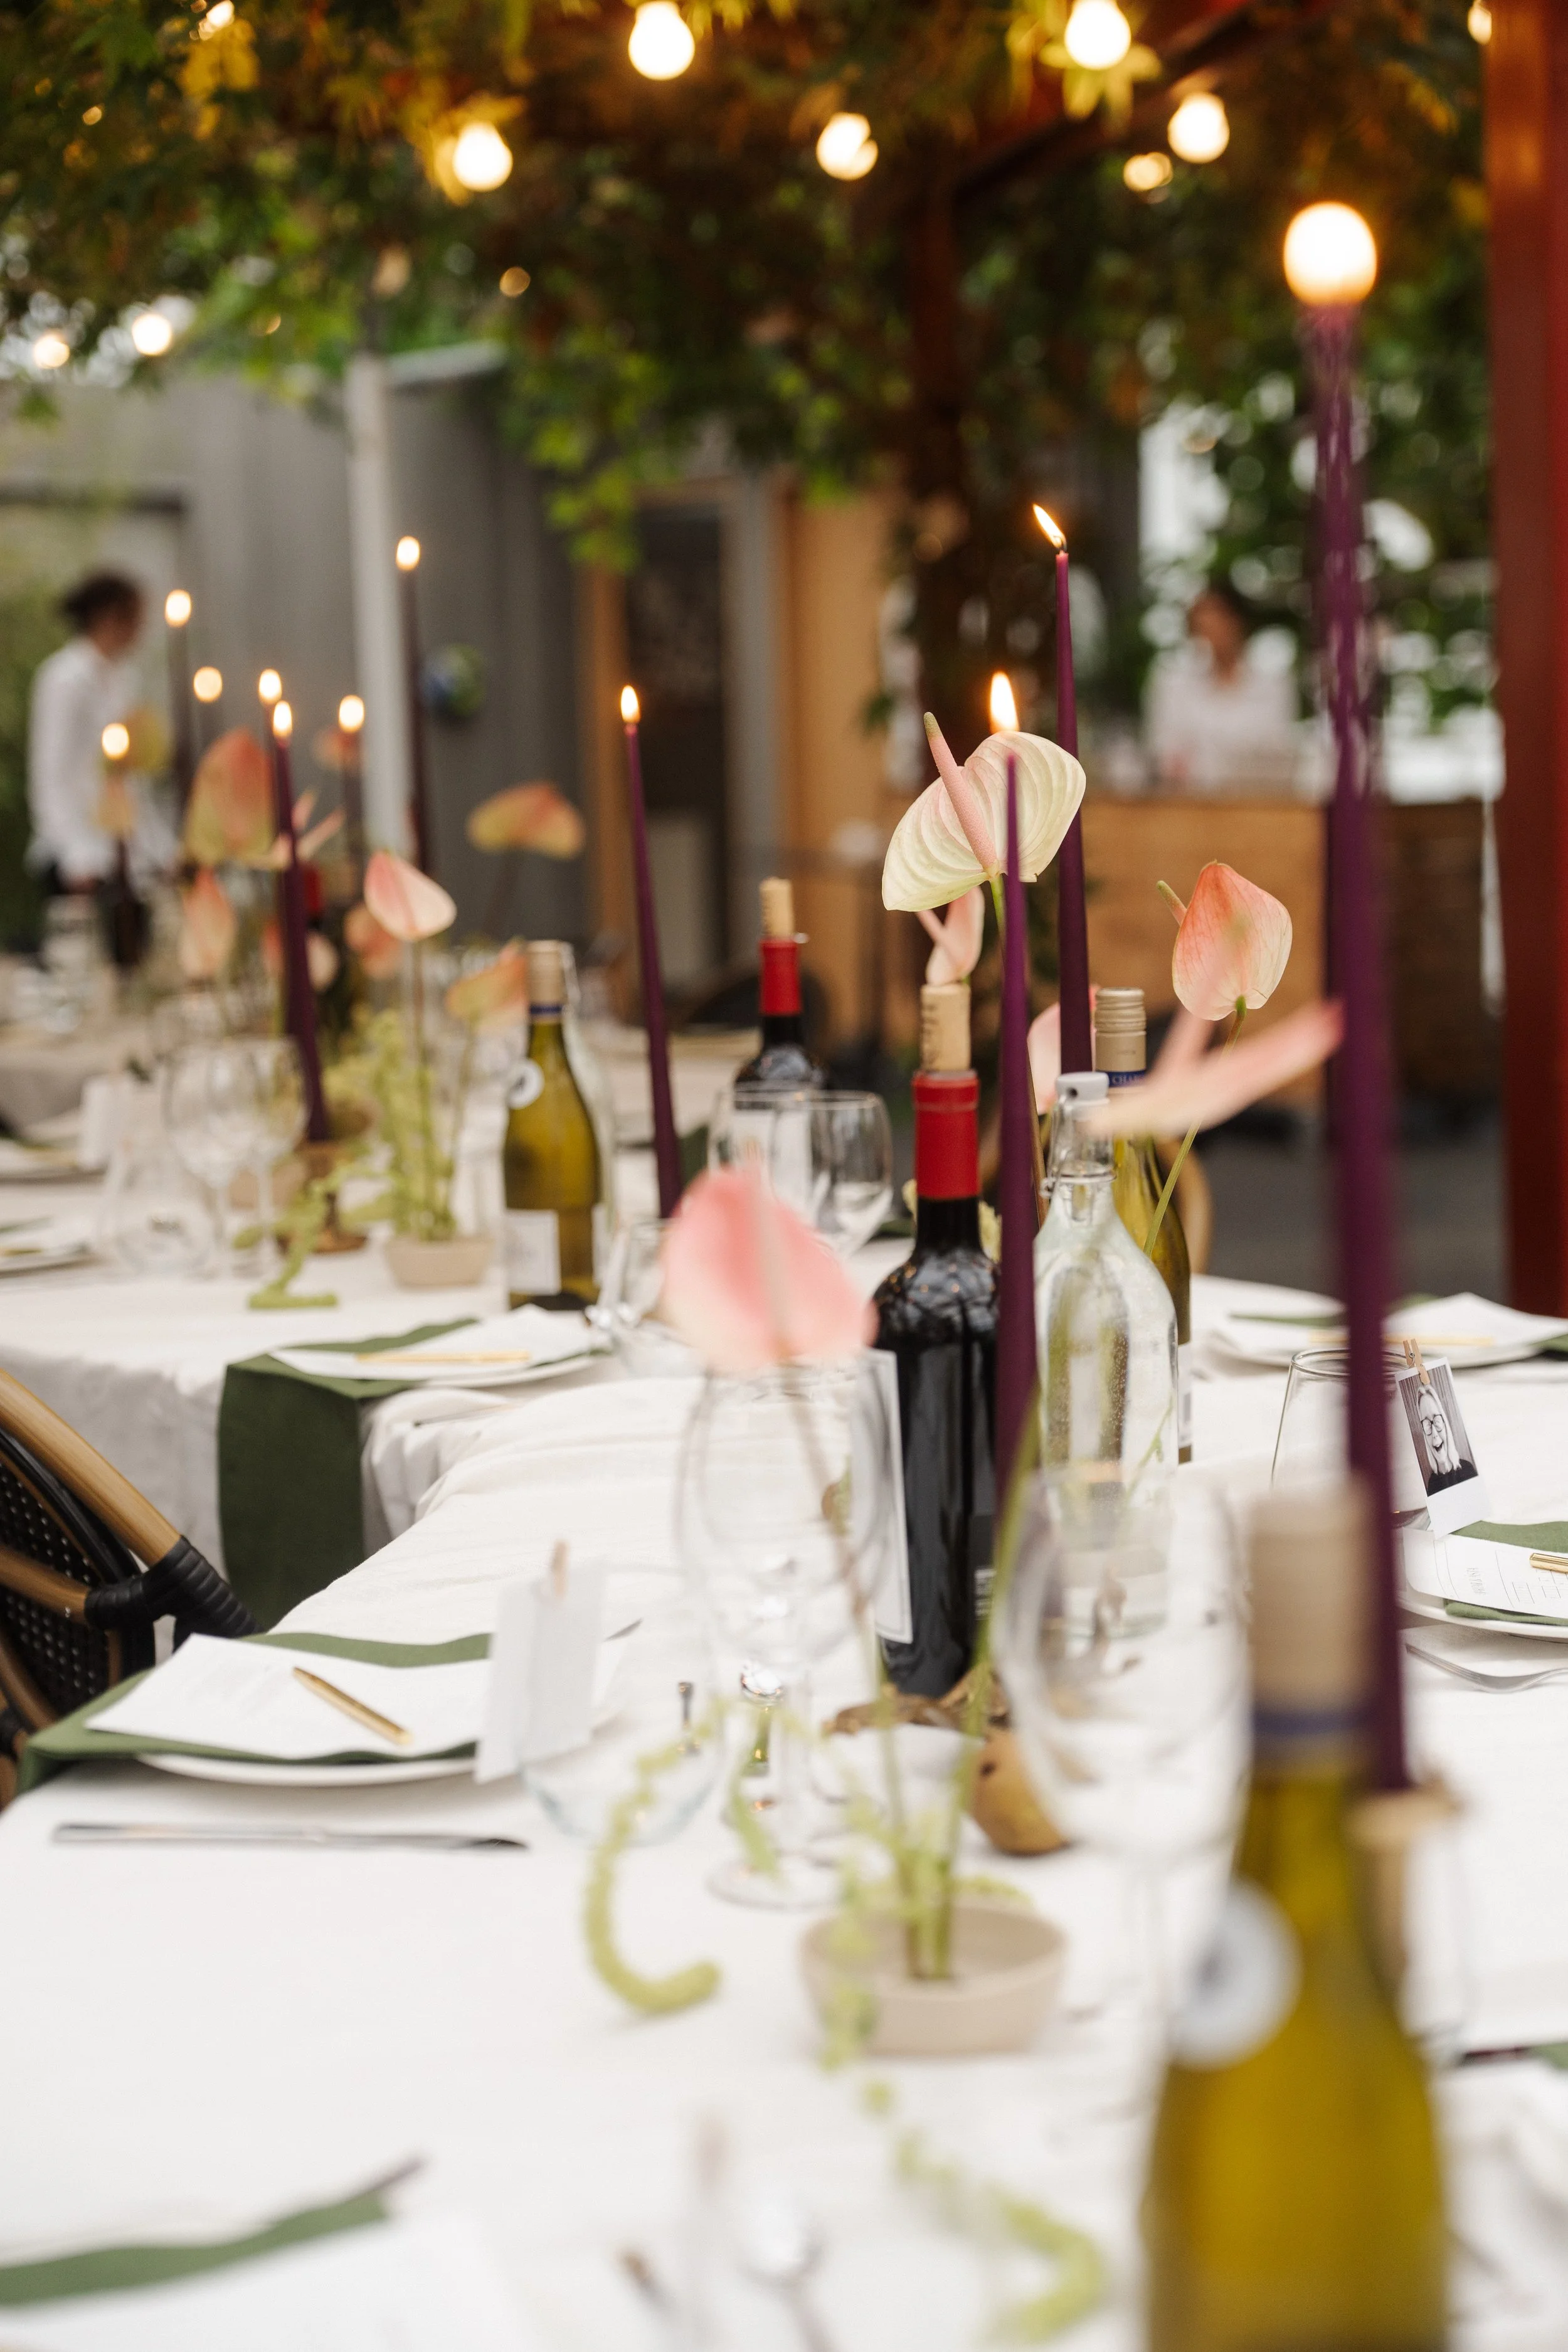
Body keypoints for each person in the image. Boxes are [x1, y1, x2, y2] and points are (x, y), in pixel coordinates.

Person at [26, 571, 176, 895]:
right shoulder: (63, 677)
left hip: (123, 850)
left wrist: (161, 848)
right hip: (79, 852)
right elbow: (50, 774)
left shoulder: (124, 679)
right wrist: (76, 854)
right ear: (111, 617)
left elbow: (129, 780)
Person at [1145, 581, 1300, 797]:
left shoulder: (1273, 686)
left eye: (1216, 622)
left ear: (1237, 621)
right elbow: (1166, 755)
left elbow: (1278, 757)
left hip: (1257, 807)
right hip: (1189, 808)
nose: (1209, 634)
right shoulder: (1172, 682)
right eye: (1200, 626)